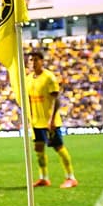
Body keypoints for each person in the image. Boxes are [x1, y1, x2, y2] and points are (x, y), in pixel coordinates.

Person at [26, 50, 76, 189]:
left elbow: (56, 100)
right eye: (31, 60)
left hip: (49, 122)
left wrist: (52, 120)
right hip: (36, 122)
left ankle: (71, 177)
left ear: (42, 61)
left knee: (58, 147)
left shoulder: (49, 77)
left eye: (36, 59)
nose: (34, 62)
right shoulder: (28, 78)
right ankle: (43, 177)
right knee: (39, 149)